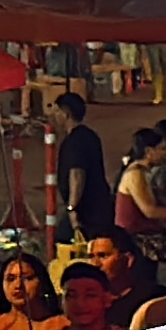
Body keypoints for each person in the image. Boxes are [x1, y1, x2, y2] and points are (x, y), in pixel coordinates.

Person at [54, 91, 113, 238]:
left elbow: (77, 176)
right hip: (100, 204)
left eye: (57, 111)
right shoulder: (90, 135)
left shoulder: (74, 142)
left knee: (65, 240)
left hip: (86, 211)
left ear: (66, 114)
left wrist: (72, 209)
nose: (54, 115)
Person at [0, 251, 65, 330]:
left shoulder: (63, 325)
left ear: (42, 283)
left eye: (27, 278)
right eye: (10, 279)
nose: (18, 285)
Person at [83, 229, 158, 325]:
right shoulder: (82, 303)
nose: (95, 264)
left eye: (103, 256)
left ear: (128, 259)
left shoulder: (151, 299)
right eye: (90, 257)